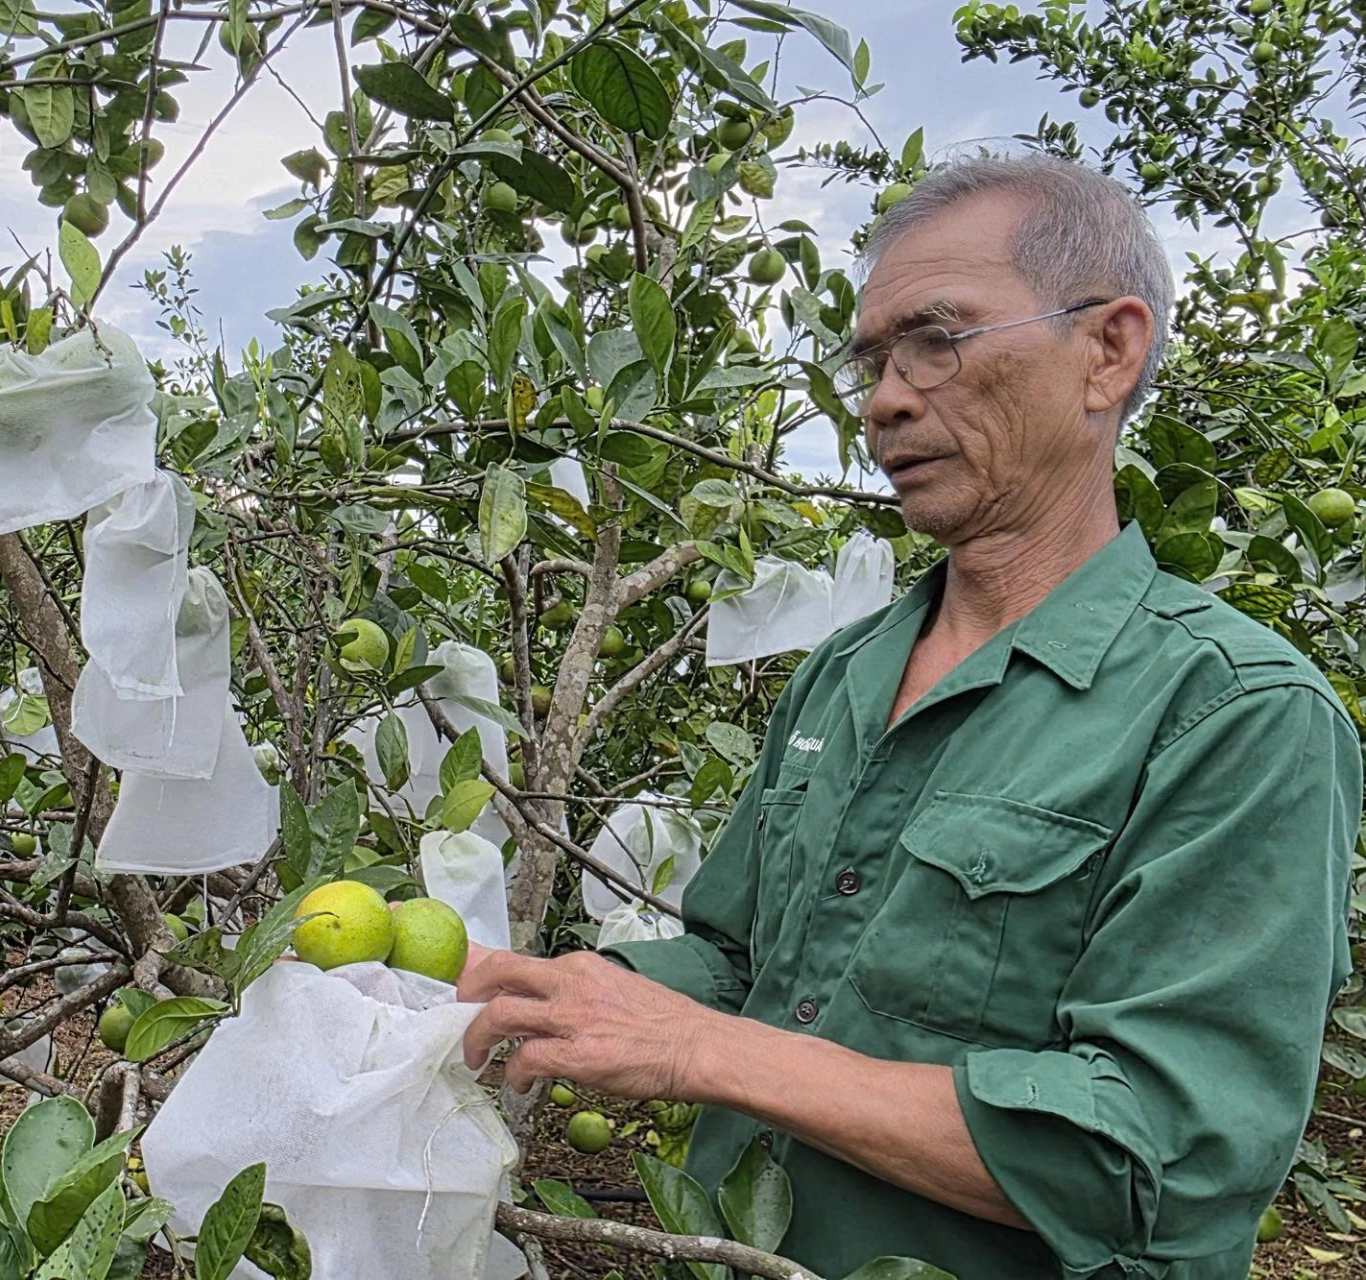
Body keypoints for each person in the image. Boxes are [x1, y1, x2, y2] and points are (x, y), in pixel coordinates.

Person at [460, 153, 1363, 1279]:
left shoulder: (1235, 713)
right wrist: (562, 998)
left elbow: (1159, 1160)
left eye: (938, 340)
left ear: (1108, 350)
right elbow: (744, 961)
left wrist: (703, 1049)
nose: (887, 397)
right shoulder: (841, 674)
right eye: (873, 360)